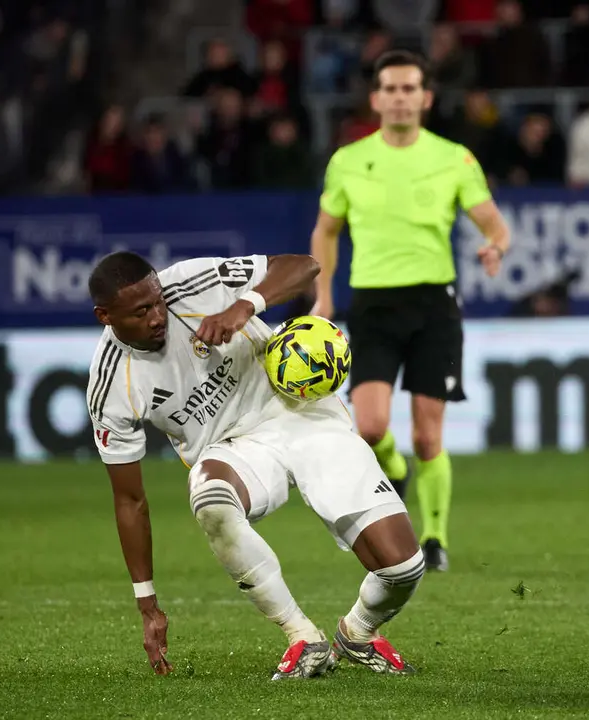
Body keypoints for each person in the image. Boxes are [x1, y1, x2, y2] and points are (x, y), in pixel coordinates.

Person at [85, 251, 425, 680]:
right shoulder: (111, 385)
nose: (158, 316)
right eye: (141, 311)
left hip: (298, 411)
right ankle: (302, 636)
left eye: (157, 302)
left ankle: (357, 632)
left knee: (402, 568)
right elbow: (129, 500)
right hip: (234, 450)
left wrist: (245, 305)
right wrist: (147, 602)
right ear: (105, 316)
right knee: (210, 500)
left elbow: (305, 267)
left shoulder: (191, 282)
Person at [309, 50, 511, 572]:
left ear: (425, 98)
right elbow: (326, 231)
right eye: (390, 89)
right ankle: (392, 470)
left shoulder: (454, 158)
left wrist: (496, 244)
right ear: (376, 99)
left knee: (428, 435)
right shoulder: (349, 160)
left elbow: (493, 221)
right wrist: (324, 294)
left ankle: (436, 537)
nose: (400, 98)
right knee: (371, 429)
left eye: (409, 89)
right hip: (373, 303)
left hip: (433, 305)